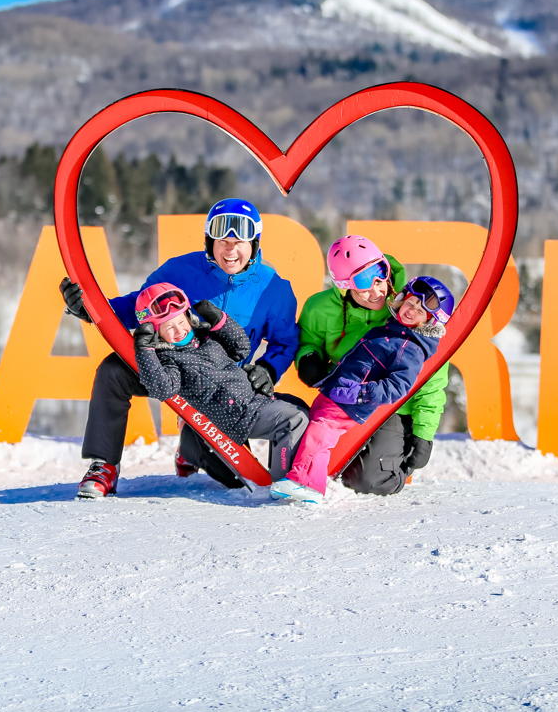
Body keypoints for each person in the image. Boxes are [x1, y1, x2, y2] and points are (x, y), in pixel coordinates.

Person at [60, 198, 300, 498]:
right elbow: (137, 306)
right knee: (113, 370)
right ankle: (104, 465)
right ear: (209, 242)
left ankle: (190, 446)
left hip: (220, 390)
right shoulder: (180, 270)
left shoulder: (273, 288)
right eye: (222, 242)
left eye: (239, 243)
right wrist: (91, 310)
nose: (230, 251)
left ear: (254, 244)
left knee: (236, 478)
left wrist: (268, 368)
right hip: (167, 371)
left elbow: (285, 341)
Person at [271, 275, 455, 504]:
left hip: (351, 399)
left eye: (420, 311)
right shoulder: (393, 329)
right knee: (316, 428)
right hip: (338, 391)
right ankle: (303, 479)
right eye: (410, 303)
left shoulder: (410, 348)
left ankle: (307, 483)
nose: (411, 311)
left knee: (321, 433)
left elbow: (398, 387)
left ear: (430, 321)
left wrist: (360, 393)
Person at [129, 283, 308, 491]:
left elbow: (241, 349)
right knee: (292, 420)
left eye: (181, 321)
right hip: (234, 415)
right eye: (169, 328)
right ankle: (285, 484)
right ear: (155, 333)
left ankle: (289, 469)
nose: (179, 330)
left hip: (250, 401)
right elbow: (163, 389)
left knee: (299, 406)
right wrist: (145, 351)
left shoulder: (205, 336)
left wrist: (219, 320)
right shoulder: (169, 358)